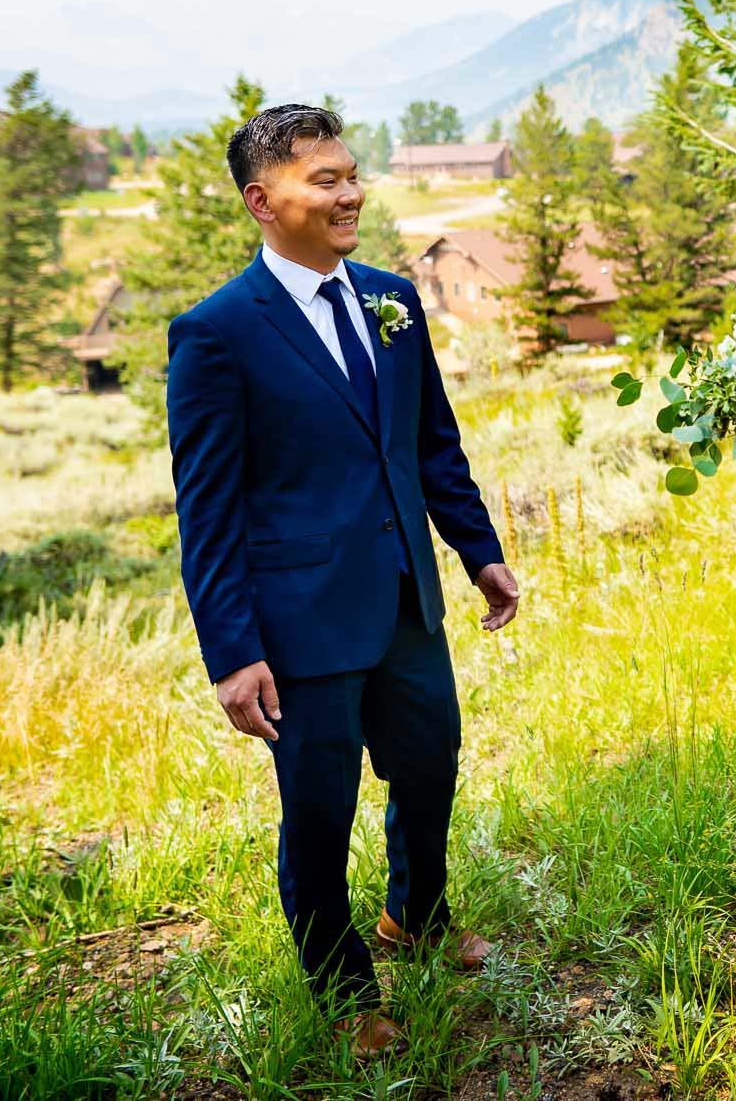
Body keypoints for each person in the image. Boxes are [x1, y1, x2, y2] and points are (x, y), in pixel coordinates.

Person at [166, 102, 521, 1059]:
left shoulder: (389, 299)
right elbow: (207, 510)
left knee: (431, 767)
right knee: (319, 811)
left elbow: (431, 445)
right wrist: (233, 652)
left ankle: (417, 914)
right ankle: (342, 988)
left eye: (351, 173)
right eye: (324, 180)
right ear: (261, 200)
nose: (350, 192)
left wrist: (477, 550)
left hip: (407, 596)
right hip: (300, 623)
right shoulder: (215, 334)